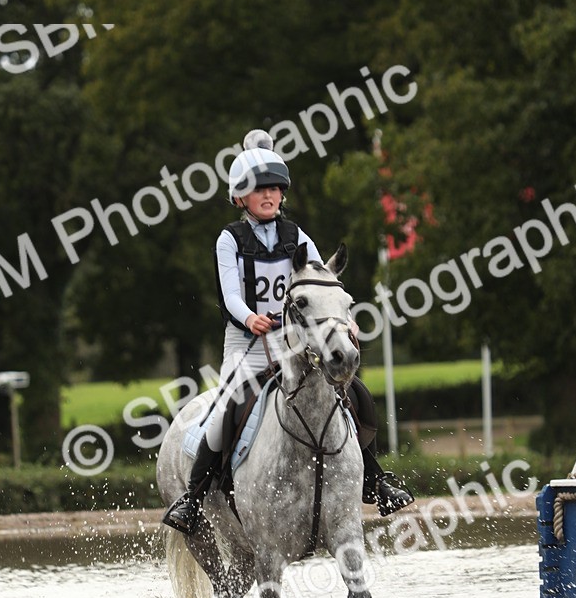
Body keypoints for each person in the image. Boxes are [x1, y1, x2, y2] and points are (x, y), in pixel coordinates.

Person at [162, 130, 414, 534]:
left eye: (275, 189)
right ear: (240, 196)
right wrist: (250, 318)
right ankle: (193, 497)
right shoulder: (230, 238)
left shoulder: (296, 235)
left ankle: (375, 478)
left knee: (352, 396)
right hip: (248, 344)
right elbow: (229, 295)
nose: (269, 195)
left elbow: (325, 281)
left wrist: (344, 321)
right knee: (227, 409)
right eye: (259, 189)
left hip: (295, 341)